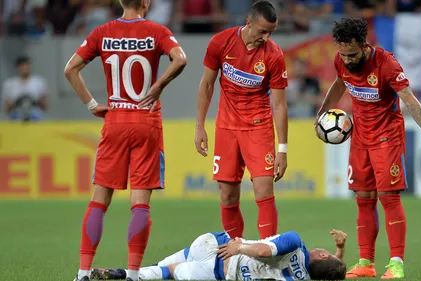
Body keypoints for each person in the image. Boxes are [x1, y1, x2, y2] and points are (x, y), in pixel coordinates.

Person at [63, 0, 187, 280]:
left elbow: (70, 69)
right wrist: (157, 86)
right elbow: (180, 58)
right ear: (146, 2)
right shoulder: (157, 31)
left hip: (115, 118)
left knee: (99, 200)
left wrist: (92, 105)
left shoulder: (102, 32)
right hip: (146, 119)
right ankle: (132, 274)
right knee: (140, 203)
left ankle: (83, 273)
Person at [315, 18, 421, 279]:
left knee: (389, 197)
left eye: (352, 54)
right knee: (363, 198)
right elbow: (339, 83)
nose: (347, 60)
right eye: (343, 54)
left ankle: (396, 264)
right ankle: (366, 262)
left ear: (364, 45)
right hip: (360, 137)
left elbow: (408, 97)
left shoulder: (386, 63)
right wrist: (322, 113)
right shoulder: (342, 61)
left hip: (387, 137)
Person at [194, 0, 289, 241]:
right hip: (226, 128)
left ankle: (268, 256)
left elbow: (279, 104)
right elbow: (206, 84)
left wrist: (283, 150)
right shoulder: (221, 42)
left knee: (264, 190)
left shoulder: (274, 55)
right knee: (227, 195)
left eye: (271, 32)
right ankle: (235, 255)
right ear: (249, 23)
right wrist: (200, 127)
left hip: (258, 128)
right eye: (262, 31)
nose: (266, 37)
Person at [91, 229, 348, 280]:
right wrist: (340, 251)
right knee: (167, 273)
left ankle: (123, 274)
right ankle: (122, 275)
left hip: (216, 244)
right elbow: (333, 273)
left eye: (327, 253)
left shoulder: (295, 242)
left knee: (163, 267)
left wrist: (240, 247)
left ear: (323, 257)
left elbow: (261, 250)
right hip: (216, 274)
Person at [2, 56, 48, 121]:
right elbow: (7, 108)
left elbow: (44, 106)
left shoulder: (39, 82)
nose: (25, 67)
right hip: (16, 117)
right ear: (17, 67)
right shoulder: (9, 84)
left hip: (35, 117)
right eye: (22, 65)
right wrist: (17, 101)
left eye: (27, 65)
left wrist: (33, 101)